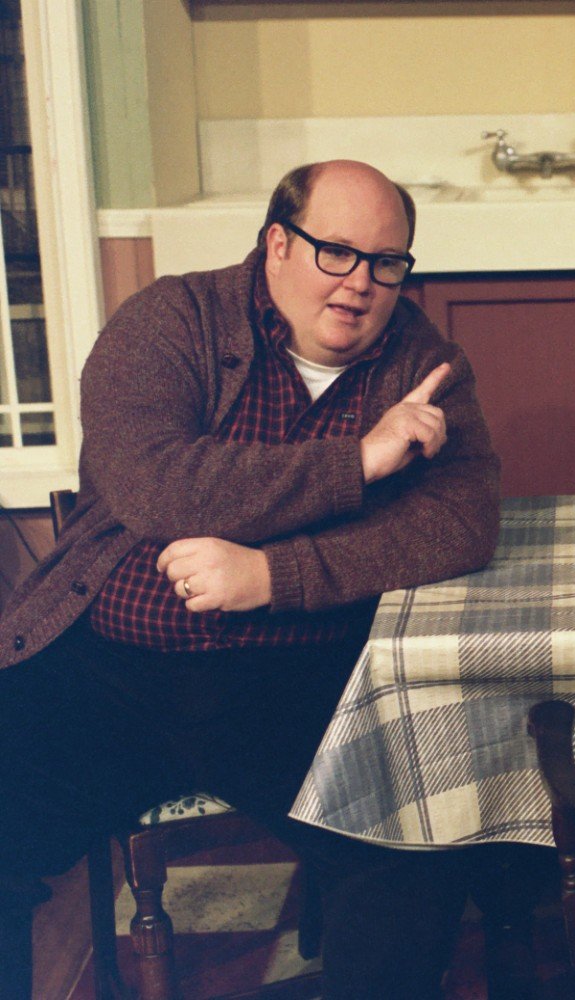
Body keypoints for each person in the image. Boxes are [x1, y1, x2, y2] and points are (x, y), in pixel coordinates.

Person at [0, 160, 503, 999]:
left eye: (386, 262)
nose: (360, 283)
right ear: (277, 243)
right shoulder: (170, 320)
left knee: (410, 853)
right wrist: (359, 462)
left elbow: (462, 520)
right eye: (335, 252)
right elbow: (154, 485)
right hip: (110, 664)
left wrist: (275, 574)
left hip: (293, 672)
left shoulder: (423, 359)